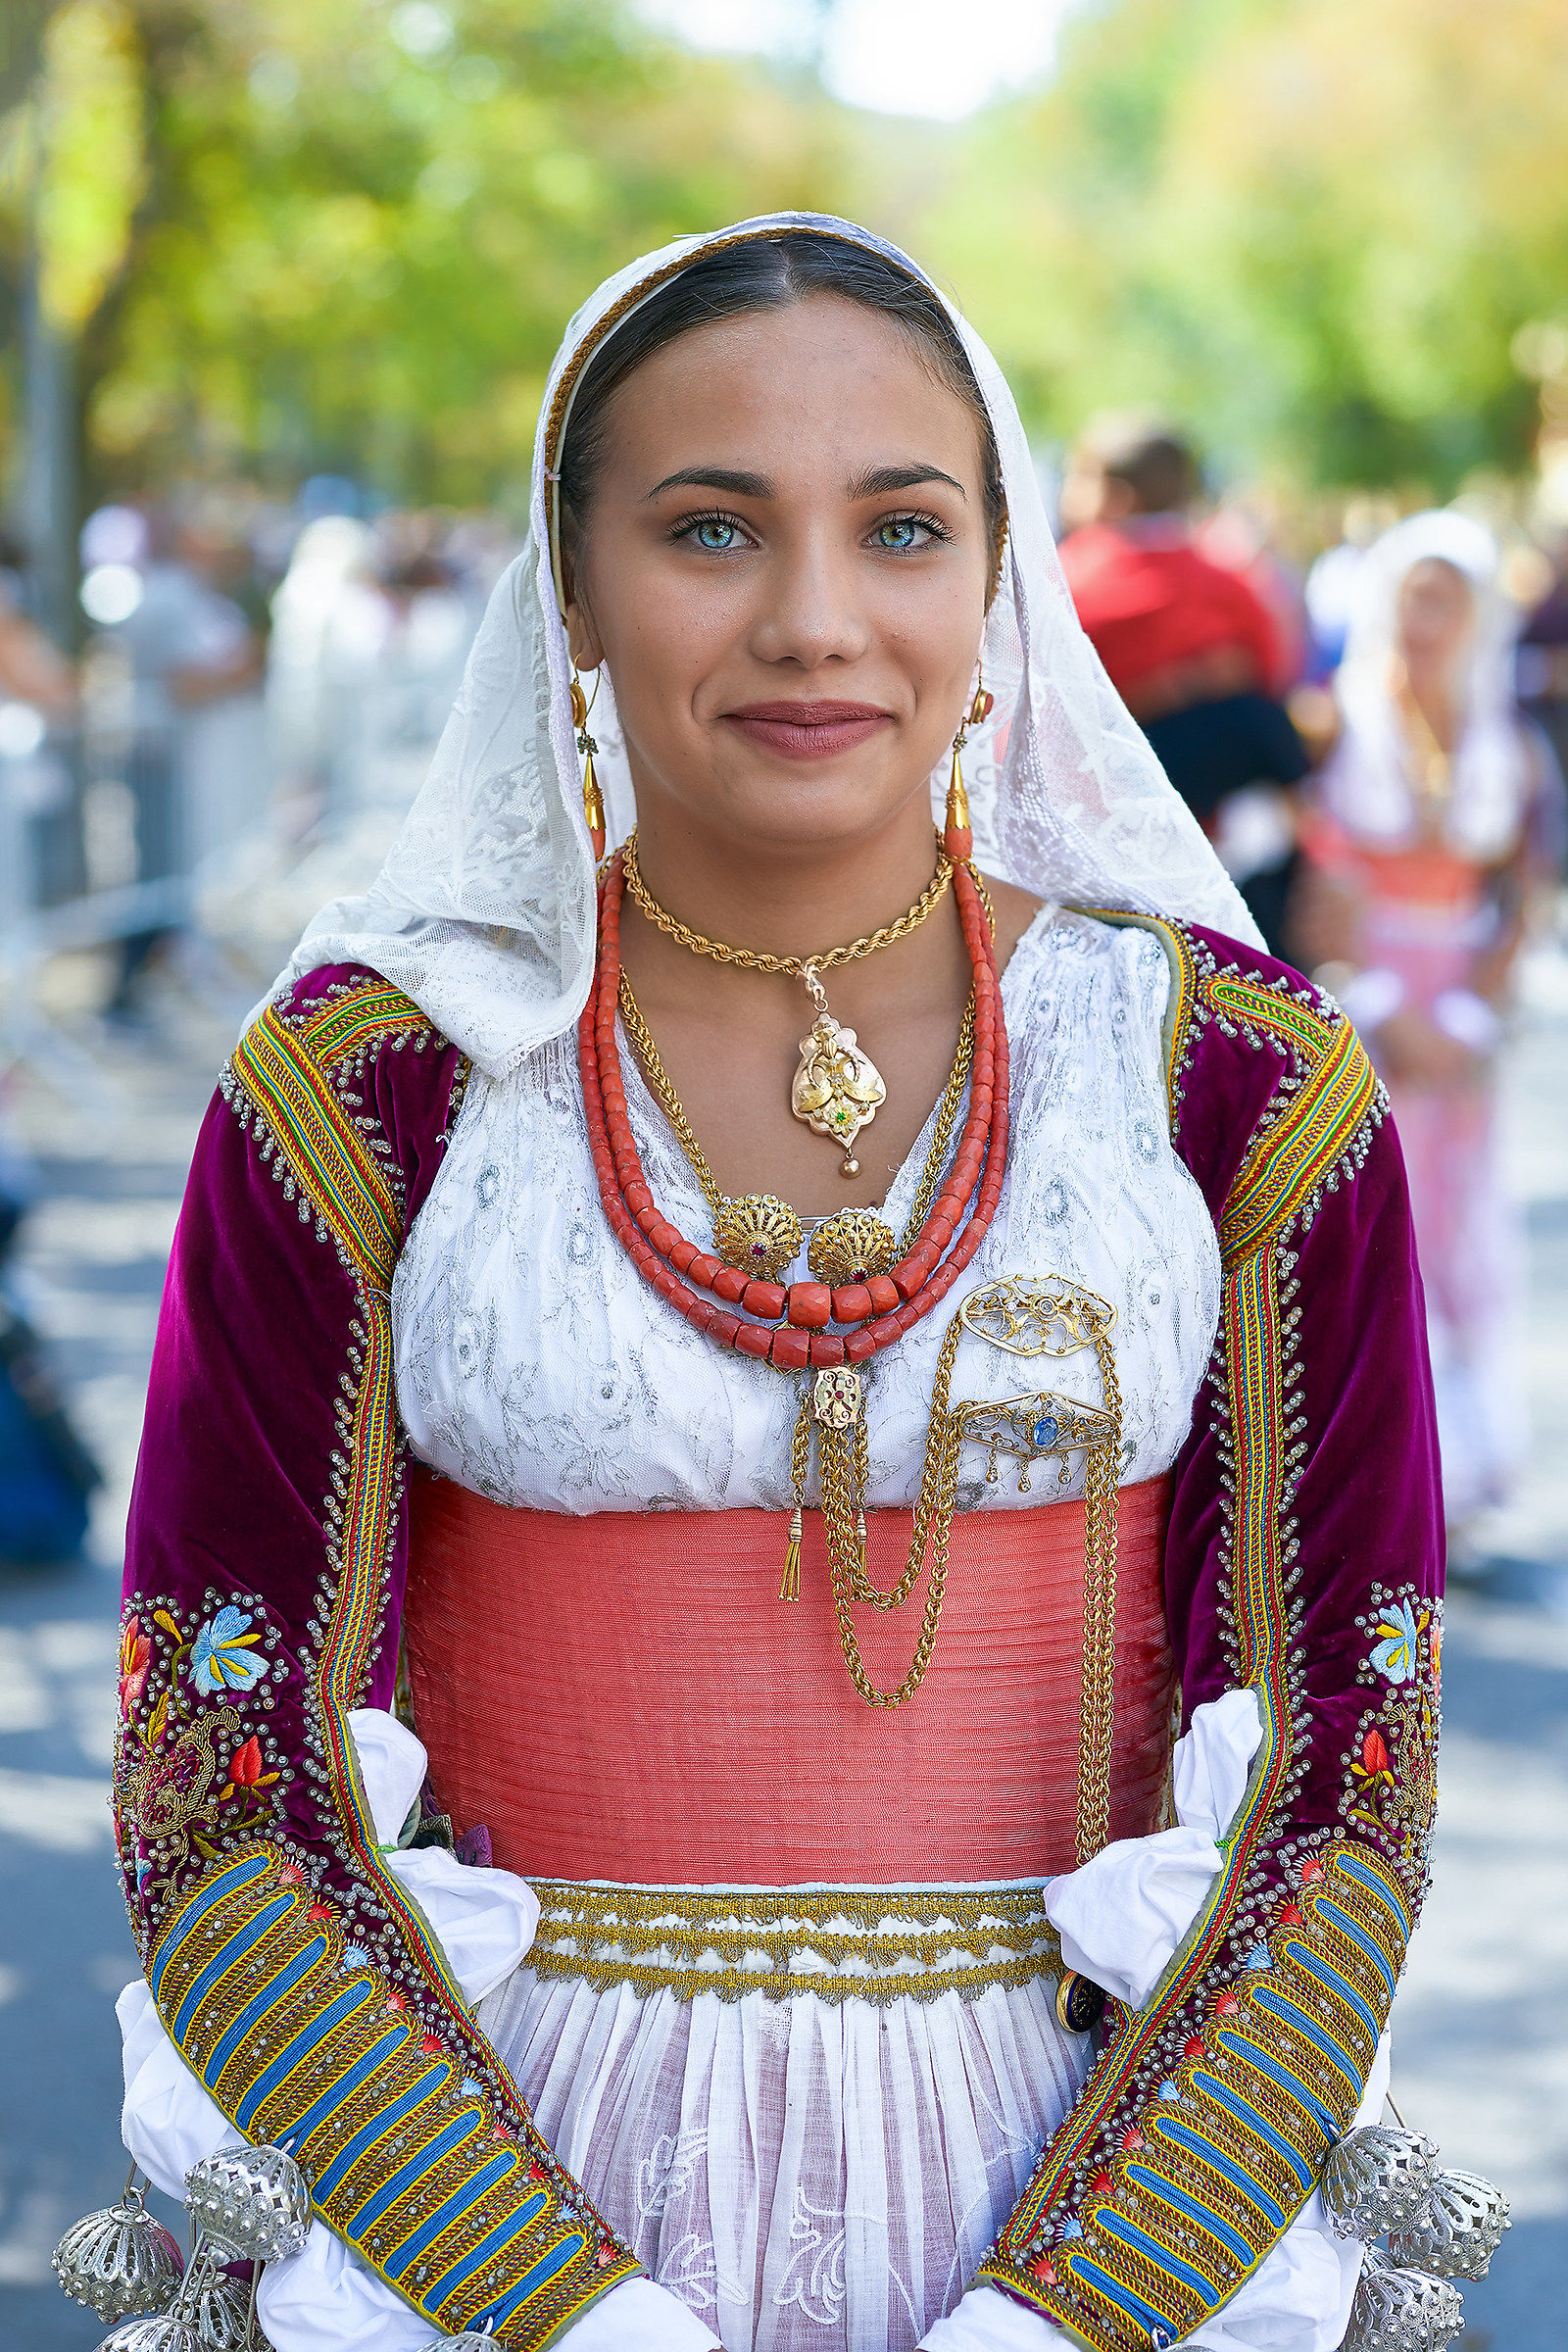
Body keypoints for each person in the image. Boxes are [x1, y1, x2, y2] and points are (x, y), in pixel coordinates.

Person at [97, 220, 1441, 2352]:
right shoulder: (372, 1092)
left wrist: (1080, 2308)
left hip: (1110, 2191)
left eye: (899, 527)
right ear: (568, 596)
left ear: (995, 590)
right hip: (472, 2200)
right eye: (708, 528)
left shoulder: (1226, 1080)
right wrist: (557, 2310)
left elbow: (1345, 1762)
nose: (813, 621)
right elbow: (217, 1766)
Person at [1295, 510, 1563, 1537]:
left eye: (1448, 597)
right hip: (1365, 1004)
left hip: (1457, 1013)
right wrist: (1380, 1005)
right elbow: (1319, 889)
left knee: (1459, 1225)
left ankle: (1456, 1467)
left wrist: (1470, 1009)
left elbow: (1519, 892)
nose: (1428, 618)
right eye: (1414, 593)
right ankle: (1364, 1476)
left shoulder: (1506, 744)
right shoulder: (1336, 723)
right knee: (1368, 1222)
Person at [1058, 416, 1308, 953]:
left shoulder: (1071, 578)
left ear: (1116, 497)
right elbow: (1272, 677)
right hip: (1223, 844)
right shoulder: (1234, 583)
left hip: (1101, 839)